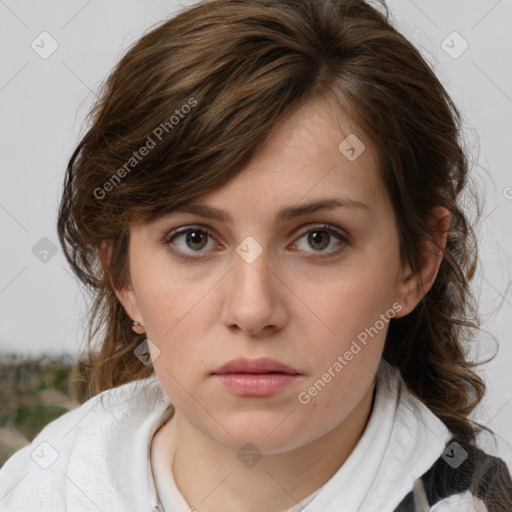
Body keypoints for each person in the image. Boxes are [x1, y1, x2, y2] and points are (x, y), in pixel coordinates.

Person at [1, 0, 511, 510]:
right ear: (122, 275)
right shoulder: (35, 487)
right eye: (194, 239)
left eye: (318, 239)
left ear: (416, 263)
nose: (252, 310)